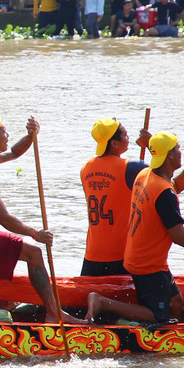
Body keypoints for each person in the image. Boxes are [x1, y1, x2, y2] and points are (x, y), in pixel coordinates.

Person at [84, 132, 184, 325]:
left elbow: (175, 186)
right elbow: (179, 236)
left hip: (140, 256)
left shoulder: (146, 174)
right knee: (158, 317)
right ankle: (102, 302)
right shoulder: (164, 193)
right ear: (170, 155)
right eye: (178, 148)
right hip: (148, 265)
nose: (181, 152)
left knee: (176, 302)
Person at [0, 116, 81, 323]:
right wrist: (35, 233)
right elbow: (5, 219)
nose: (7, 135)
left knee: (34, 254)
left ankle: (54, 313)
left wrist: (30, 136)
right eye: (4, 132)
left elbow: (15, 152)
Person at [80, 118, 153, 276]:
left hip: (93, 253)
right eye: (125, 135)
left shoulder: (86, 168)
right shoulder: (132, 167)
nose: (128, 138)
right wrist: (150, 145)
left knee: (88, 300)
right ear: (114, 143)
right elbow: (165, 177)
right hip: (121, 255)